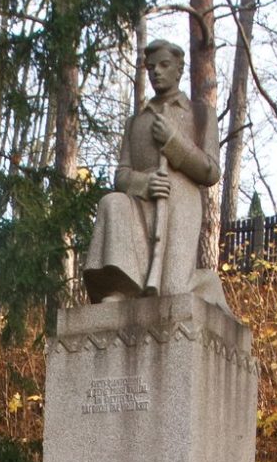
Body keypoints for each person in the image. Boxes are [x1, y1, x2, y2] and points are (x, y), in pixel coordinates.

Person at [83, 40, 226, 307]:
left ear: (179, 69)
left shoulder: (202, 116)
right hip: (140, 203)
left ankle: (208, 285)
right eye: (151, 68)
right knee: (112, 203)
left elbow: (211, 172)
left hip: (180, 202)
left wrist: (174, 142)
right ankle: (123, 288)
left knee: (174, 292)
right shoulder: (136, 122)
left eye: (164, 65)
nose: (156, 72)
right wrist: (144, 183)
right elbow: (122, 175)